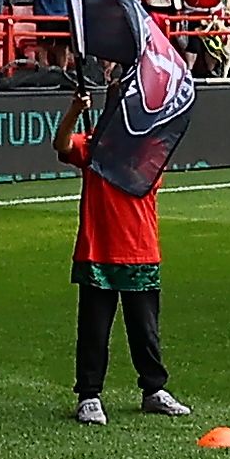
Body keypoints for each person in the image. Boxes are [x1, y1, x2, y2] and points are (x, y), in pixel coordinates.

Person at [54, 42, 189, 426]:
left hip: (141, 248)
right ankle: (89, 395)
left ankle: (153, 389)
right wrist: (74, 112)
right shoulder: (95, 143)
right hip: (98, 249)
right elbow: (61, 145)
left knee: (145, 329)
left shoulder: (150, 150)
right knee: (94, 329)